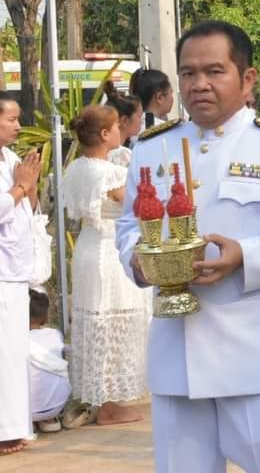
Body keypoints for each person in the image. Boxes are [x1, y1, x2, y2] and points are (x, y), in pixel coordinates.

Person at [115, 20, 260, 472]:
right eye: (188, 73)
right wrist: (139, 262)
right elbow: (128, 225)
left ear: (247, 78)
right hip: (176, 348)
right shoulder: (152, 148)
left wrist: (247, 256)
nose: (199, 85)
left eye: (215, 71)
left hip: (251, 343)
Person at [65, 105, 153, 425]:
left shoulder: (77, 167)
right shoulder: (108, 172)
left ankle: (102, 399)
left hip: (88, 248)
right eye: (116, 127)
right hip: (109, 252)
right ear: (104, 135)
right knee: (116, 323)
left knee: (97, 321)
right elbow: (136, 204)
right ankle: (109, 406)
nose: (120, 132)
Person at [0, 92, 42, 457]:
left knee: (14, 355)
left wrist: (31, 188)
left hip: (14, 271)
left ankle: (14, 425)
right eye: (11, 119)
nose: (18, 125)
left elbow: (26, 209)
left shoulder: (12, 159)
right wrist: (20, 187)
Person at [28, 289, 70, 434]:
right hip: (57, 405)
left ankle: (29, 421)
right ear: (45, 318)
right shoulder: (54, 334)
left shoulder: (13, 340)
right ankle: (49, 420)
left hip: (25, 410)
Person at [130, 68, 174, 132]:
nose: (172, 98)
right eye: (171, 92)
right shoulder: (164, 130)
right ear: (160, 97)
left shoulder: (130, 128)